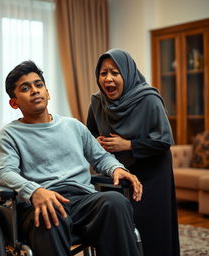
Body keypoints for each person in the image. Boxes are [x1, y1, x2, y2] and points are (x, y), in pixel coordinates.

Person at [0, 60, 143, 256]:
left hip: (83, 201)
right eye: (25, 88)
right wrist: (35, 191)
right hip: (42, 202)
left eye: (39, 85)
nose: (35, 90)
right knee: (50, 213)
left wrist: (117, 169)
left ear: (48, 93)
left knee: (115, 202)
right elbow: (4, 172)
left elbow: (101, 158)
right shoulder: (9, 134)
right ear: (14, 103)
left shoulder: (73, 126)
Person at [87, 48, 180, 256]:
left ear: (127, 73)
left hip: (152, 174)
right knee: (117, 228)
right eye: (103, 73)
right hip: (115, 174)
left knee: (152, 229)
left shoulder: (149, 99)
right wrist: (97, 142)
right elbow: (89, 134)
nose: (108, 79)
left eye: (115, 72)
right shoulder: (97, 102)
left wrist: (128, 145)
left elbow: (164, 140)